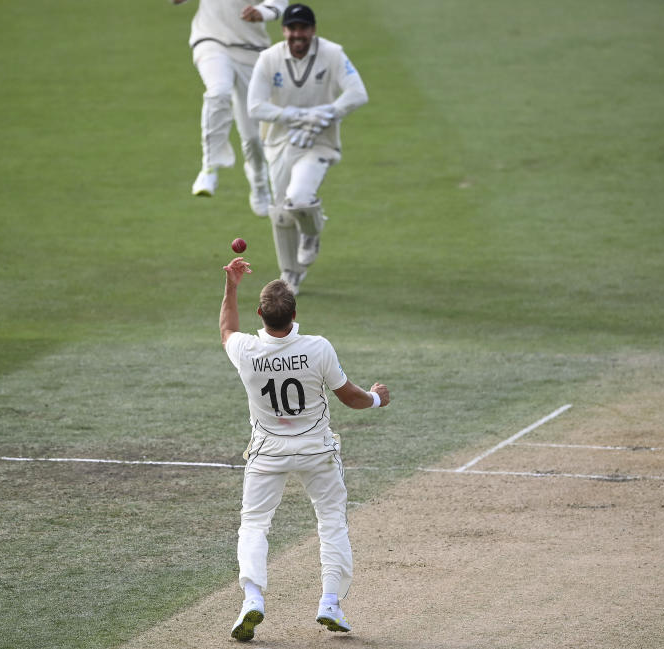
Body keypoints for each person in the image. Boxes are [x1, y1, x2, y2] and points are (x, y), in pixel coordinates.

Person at [219, 256, 390, 641]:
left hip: (267, 452)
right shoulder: (318, 348)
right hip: (317, 451)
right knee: (331, 522)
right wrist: (378, 399)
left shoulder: (246, 349)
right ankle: (330, 602)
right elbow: (351, 398)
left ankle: (252, 600)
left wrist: (231, 285)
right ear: (294, 314)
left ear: (260, 313)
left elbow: (227, 328)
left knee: (254, 525)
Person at [247, 3, 368, 295]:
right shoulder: (269, 59)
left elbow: (357, 93)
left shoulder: (332, 53)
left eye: (303, 28)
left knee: (299, 199)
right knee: (280, 212)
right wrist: (295, 116)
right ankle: (290, 273)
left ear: (313, 30)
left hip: (318, 141)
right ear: (284, 30)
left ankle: (312, 233)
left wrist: (328, 112)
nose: (297, 34)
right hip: (279, 142)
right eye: (292, 28)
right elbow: (255, 106)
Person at [173, 0, 288, 213]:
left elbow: (279, 4)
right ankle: (209, 168)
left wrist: (261, 12)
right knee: (218, 91)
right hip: (210, 40)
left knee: (253, 137)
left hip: (251, 51)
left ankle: (259, 181)